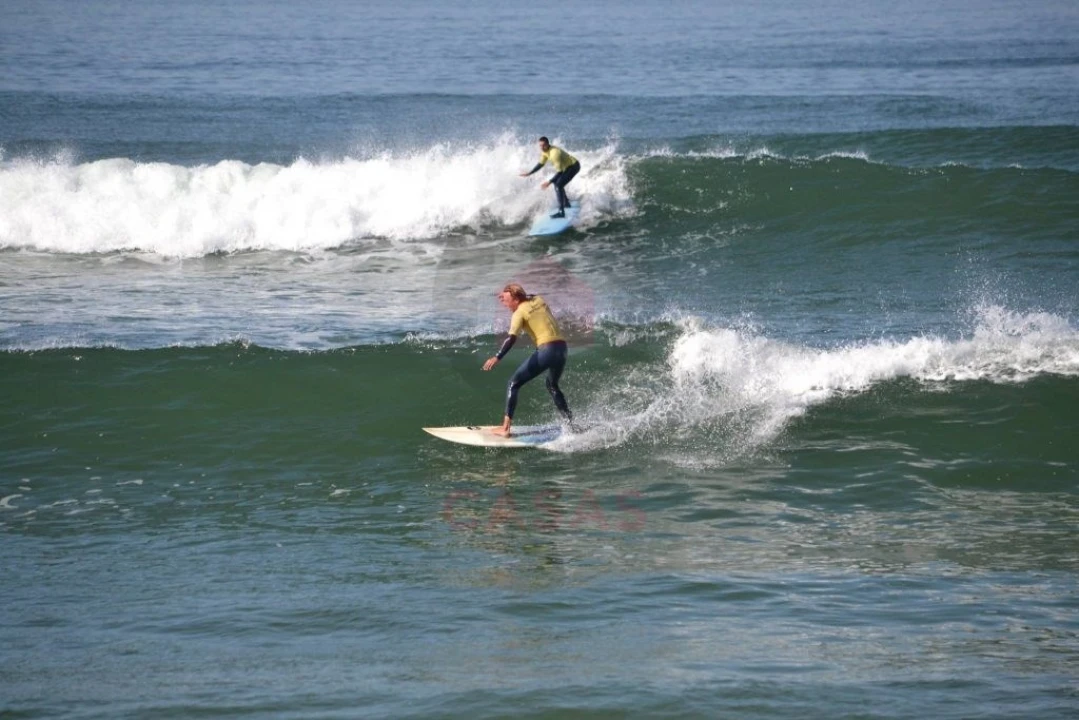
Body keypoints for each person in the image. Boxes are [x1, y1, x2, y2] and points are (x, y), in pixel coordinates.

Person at [482, 283, 573, 436]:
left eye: (507, 300)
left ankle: (505, 428)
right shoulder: (538, 300)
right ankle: (571, 425)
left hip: (547, 350)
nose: (505, 304)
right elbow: (529, 296)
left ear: (516, 299)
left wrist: (497, 357)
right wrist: (507, 292)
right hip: (562, 348)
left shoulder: (519, 313)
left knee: (513, 384)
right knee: (552, 385)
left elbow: (511, 339)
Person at [520, 136, 581, 218]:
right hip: (567, 167)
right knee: (558, 183)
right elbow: (541, 164)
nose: (541, 147)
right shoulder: (545, 151)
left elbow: (560, 172)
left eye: (543, 145)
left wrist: (549, 182)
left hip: (574, 166)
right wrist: (529, 173)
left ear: (548, 144)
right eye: (540, 145)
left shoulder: (554, 154)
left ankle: (561, 212)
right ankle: (566, 203)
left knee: (558, 185)